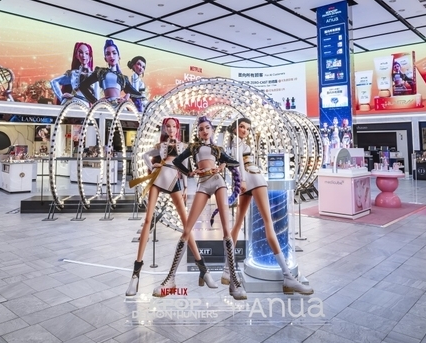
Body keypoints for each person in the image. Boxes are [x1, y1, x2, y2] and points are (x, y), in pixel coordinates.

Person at [154, 116, 246, 300]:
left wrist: (222, 164)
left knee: (226, 230)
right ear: (198, 132)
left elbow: (235, 163)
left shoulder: (217, 149)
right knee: (186, 230)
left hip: (218, 182)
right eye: (201, 128)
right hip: (202, 184)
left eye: (207, 128)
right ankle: (170, 279)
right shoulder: (193, 147)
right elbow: (177, 162)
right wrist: (190, 172)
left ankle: (233, 280)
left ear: (212, 130)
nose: (204, 131)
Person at [125, 118, 216, 296]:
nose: (172, 129)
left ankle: (203, 269)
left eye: (174, 126)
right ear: (165, 129)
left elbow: (185, 167)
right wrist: (152, 166)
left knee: (186, 225)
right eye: (169, 126)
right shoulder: (161, 145)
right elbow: (145, 156)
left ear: (178, 128)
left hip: (174, 180)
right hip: (158, 177)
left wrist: (186, 187)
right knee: (147, 220)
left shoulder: (183, 146)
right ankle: (135, 274)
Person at [222, 118, 313, 295]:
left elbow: (234, 165)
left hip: (245, 181)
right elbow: (239, 162)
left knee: (238, 225)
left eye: (247, 128)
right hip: (253, 179)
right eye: (241, 127)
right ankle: (287, 276)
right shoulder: (237, 144)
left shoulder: (233, 144)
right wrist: (243, 180)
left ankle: (227, 269)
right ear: (234, 128)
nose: (244, 130)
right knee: (268, 223)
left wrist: (239, 182)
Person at [79, 39, 141, 104]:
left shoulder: (123, 78)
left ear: (118, 57)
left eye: (114, 53)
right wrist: (95, 101)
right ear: (105, 58)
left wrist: (127, 96)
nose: (111, 56)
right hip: (106, 106)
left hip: (119, 106)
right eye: (108, 54)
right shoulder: (101, 72)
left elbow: (137, 94)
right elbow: (83, 86)